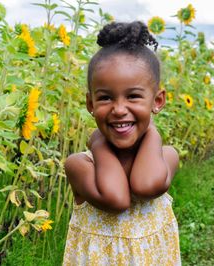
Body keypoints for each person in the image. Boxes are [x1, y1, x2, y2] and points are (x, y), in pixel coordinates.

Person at [62, 21, 180, 265]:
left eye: (133, 96)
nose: (118, 109)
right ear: (91, 105)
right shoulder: (79, 165)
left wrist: (152, 133)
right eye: (105, 97)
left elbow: (145, 185)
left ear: (157, 101)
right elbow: (117, 199)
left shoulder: (167, 156)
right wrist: (99, 145)